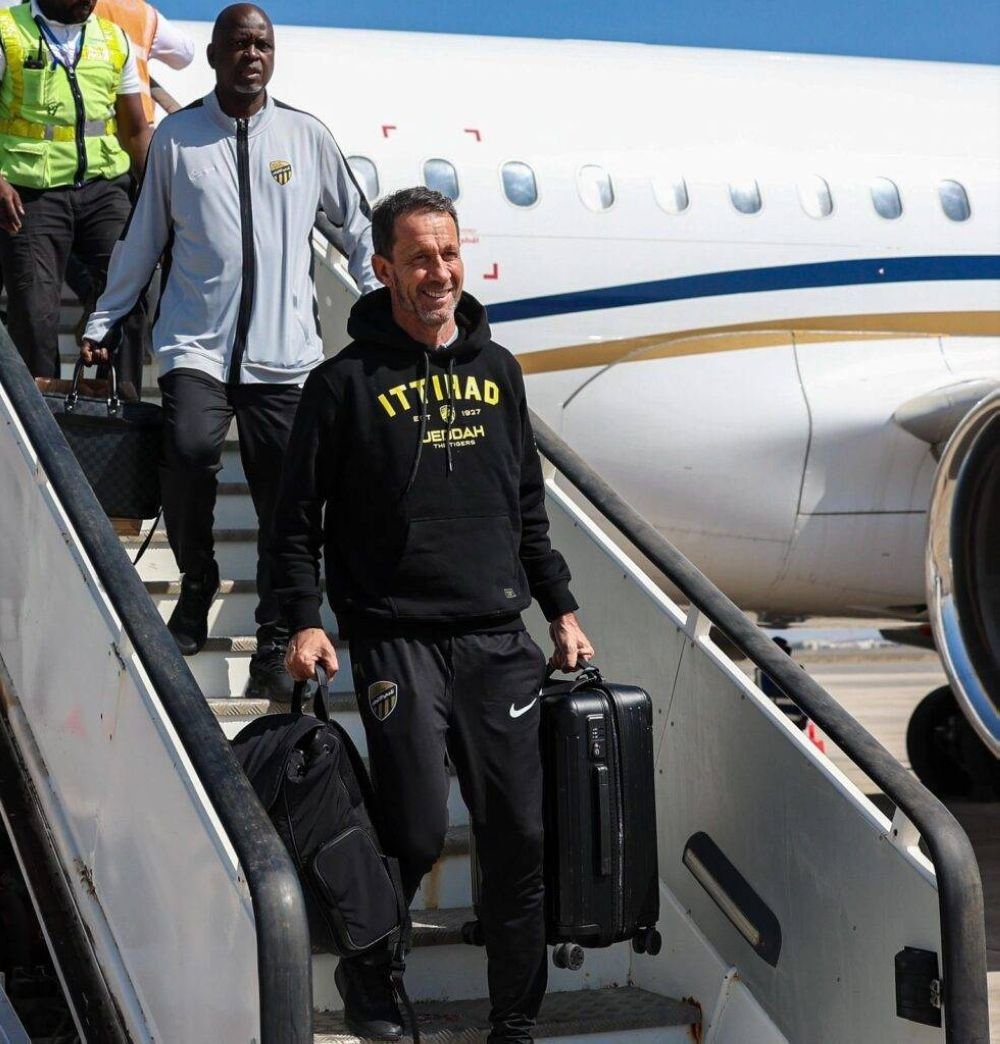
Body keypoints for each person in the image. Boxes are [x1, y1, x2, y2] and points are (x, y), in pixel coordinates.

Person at [273, 186, 595, 1043]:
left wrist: (560, 607)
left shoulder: (500, 372)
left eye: (449, 254)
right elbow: (296, 520)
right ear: (383, 269)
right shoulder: (342, 385)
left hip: (497, 639)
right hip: (398, 639)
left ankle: (515, 1020)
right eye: (419, 258)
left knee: (518, 835)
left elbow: (526, 506)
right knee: (414, 830)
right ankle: (371, 972)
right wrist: (304, 619)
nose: (440, 272)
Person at [81, 3, 377, 700]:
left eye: (262, 44)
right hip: (196, 344)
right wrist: (103, 320)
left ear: (272, 56)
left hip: (285, 354)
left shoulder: (306, 137)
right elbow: (143, 239)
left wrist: (375, 299)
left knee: (287, 500)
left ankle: (275, 635)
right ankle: (198, 580)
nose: (251, 54)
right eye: (238, 44)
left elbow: (360, 227)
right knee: (187, 453)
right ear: (213, 56)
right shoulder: (178, 139)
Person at [0, 0, 151, 386]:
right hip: (31, 191)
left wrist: (162, 199)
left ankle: (121, 403)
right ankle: (38, 413)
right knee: (34, 309)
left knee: (129, 292)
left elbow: (135, 130)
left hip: (104, 188)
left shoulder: (113, 39)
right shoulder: (6, 30)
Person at [94, 0, 194, 124]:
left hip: (93, 120)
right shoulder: (141, 11)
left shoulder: (78, 8)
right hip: (138, 121)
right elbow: (185, 55)